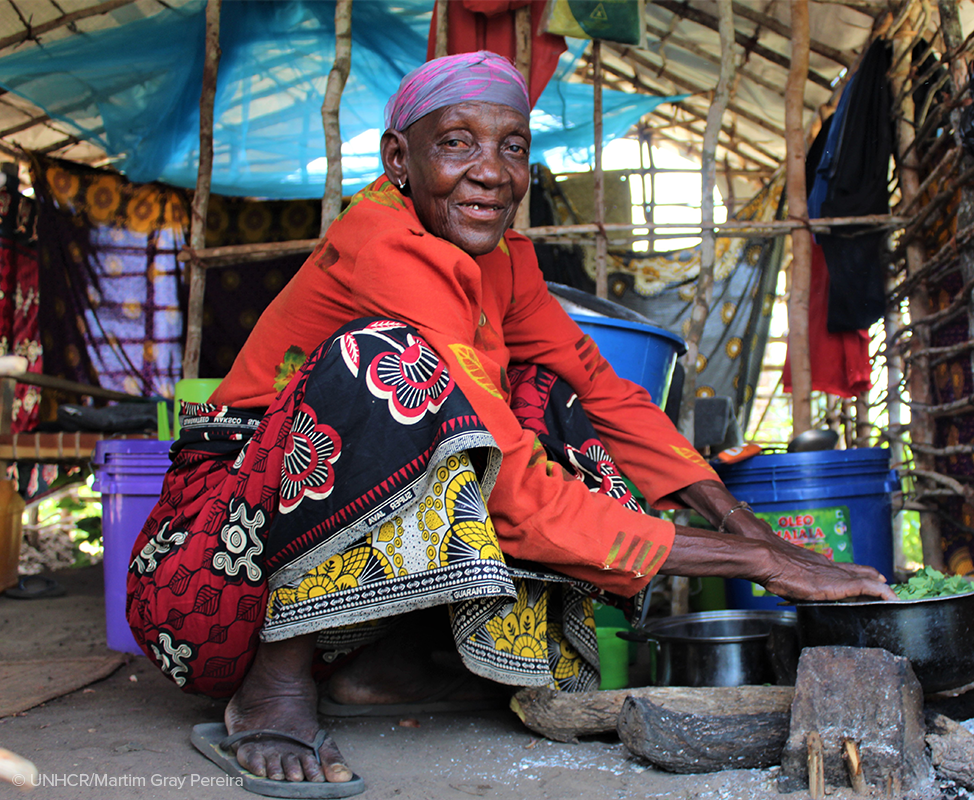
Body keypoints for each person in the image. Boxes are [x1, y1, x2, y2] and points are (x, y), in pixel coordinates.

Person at [127, 51, 894, 796]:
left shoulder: (505, 259)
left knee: (550, 393)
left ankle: (391, 662)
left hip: (276, 553)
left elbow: (603, 391)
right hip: (213, 573)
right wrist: (753, 565)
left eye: (512, 146)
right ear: (400, 156)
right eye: (456, 143)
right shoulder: (382, 248)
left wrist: (747, 526)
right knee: (393, 368)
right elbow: (516, 496)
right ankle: (274, 685)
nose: (491, 171)